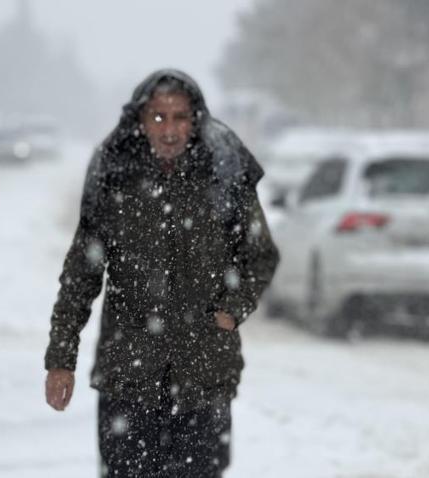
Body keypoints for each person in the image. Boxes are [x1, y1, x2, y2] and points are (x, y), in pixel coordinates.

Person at [44, 69, 279, 477]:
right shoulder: (116, 177)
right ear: (139, 121)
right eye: (158, 117)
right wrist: (61, 359)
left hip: (203, 378)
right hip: (129, 376)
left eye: (180, 117)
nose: (169, 129)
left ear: (196, 121)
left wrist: (231, 309)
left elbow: (260, 255)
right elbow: (81, 274)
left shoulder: (223, 175)